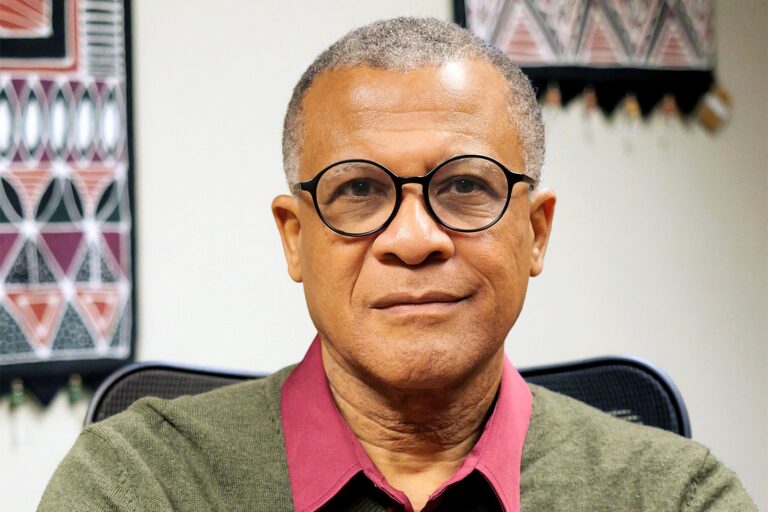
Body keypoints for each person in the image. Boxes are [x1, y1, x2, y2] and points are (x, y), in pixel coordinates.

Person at [39, 17, 755, 512]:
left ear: (536, 232)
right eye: (358, 191)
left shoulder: (673, 495)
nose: (413, 240)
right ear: (295, 238)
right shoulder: (140, 482)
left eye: (465, 186)